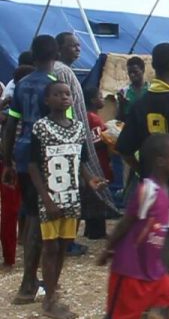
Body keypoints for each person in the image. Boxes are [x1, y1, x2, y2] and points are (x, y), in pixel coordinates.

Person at [116, 43, 169, 273]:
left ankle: (144, 289)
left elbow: (123, 147)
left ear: (152, 66)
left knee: (149, 234)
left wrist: (140, 169)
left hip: (149, 183)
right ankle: (157, 294)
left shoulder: (141, 103)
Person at [28, 81, 106, 318]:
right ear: (47, 100)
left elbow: (79, 160)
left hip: (72, 196)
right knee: (50, 247)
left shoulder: (79, 128)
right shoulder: (40, 127)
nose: (64, 97)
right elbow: (32, 166)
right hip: (50, 198)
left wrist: (90, 179)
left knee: (63, 245)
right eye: (57, 94)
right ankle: (50, 299)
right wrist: (46, 200)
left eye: (67, 93)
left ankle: (53, 290)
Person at [98, 133, 169, 319]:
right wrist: (109, 248)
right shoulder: (148, 191)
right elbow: (126, 222)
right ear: (161, 161)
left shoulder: (166, 191)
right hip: (130, 271)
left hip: (153, 270)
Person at [2, 35, 60, 304]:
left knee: (28, 214)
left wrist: (7, 161)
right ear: (55, 55)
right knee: (40, 219)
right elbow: (63, 127)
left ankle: (32, 279)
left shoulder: (21, 84)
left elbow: (11, 126)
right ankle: (28, 285)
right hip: (46, 158)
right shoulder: (55, 87)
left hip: (22, 155)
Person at [55, 32, 112, 254]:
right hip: (67, 142)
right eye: (72, 46)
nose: (78, 49)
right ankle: (65, 242)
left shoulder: (63, 72)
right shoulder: (62, 73)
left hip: (69, 141)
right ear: (59, 48)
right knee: (71, 192)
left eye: (79, 46)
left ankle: (66, 240)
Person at [0, 65, 34, 267]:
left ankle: (15, 256)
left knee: (18, 211)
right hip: (15, 165)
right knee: (14, 211)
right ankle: (11, 257)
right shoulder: (13, 106)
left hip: (16, 164)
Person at [84, 86, 112, 239]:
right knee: (98, 195)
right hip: (98, 162)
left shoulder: (88, 116)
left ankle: (89, 229)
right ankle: (97, 231)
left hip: (93, 162)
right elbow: (96, 142)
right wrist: (110, 135)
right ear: (93, 100)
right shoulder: (94, 119)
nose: (103, 99)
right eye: (100, 96)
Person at [116, 56, 148, 121]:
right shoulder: (124, 92)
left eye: (135, 72)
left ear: (143, 70)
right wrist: (121, 104)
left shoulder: (151, 90)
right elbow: (119, 119)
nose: (132, 75)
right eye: (130, 72)